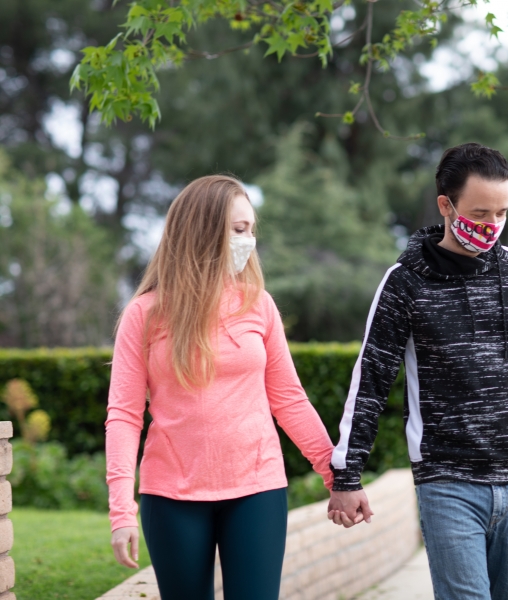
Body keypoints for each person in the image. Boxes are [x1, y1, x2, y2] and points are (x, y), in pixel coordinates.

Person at [327, 143, 508, 600]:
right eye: (480, 212)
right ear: (445, 205)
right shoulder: (405, 281)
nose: (491, 226)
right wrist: (347, 477)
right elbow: (370, 381)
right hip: (447, 483)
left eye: (501, 212)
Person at [105, 175, 335, 600]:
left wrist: (336, 475)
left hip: (257, 488)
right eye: (238, 230)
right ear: (202, 231)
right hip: (171, 494)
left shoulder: (258, 304)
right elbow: (123, 414)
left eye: (250, 230)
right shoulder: (145, 314)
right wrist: (121, 511)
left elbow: (288, 399)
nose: (248, 241)